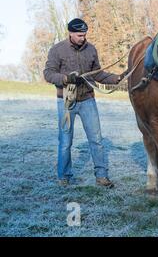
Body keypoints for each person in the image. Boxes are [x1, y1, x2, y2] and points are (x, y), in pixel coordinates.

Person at [43, 18, 126, 188]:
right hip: (66, 100)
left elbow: (98, 74)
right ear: (71, 33)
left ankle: (102, 177)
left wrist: (117, 78)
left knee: (96, 139)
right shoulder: (57, 50)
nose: (83, 38)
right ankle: (64, 177)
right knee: (65, 141)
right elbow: (48, 73)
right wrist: (64, 78)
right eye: (79, 35)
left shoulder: (91, 50)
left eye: (84, 34)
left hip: (88, 99)